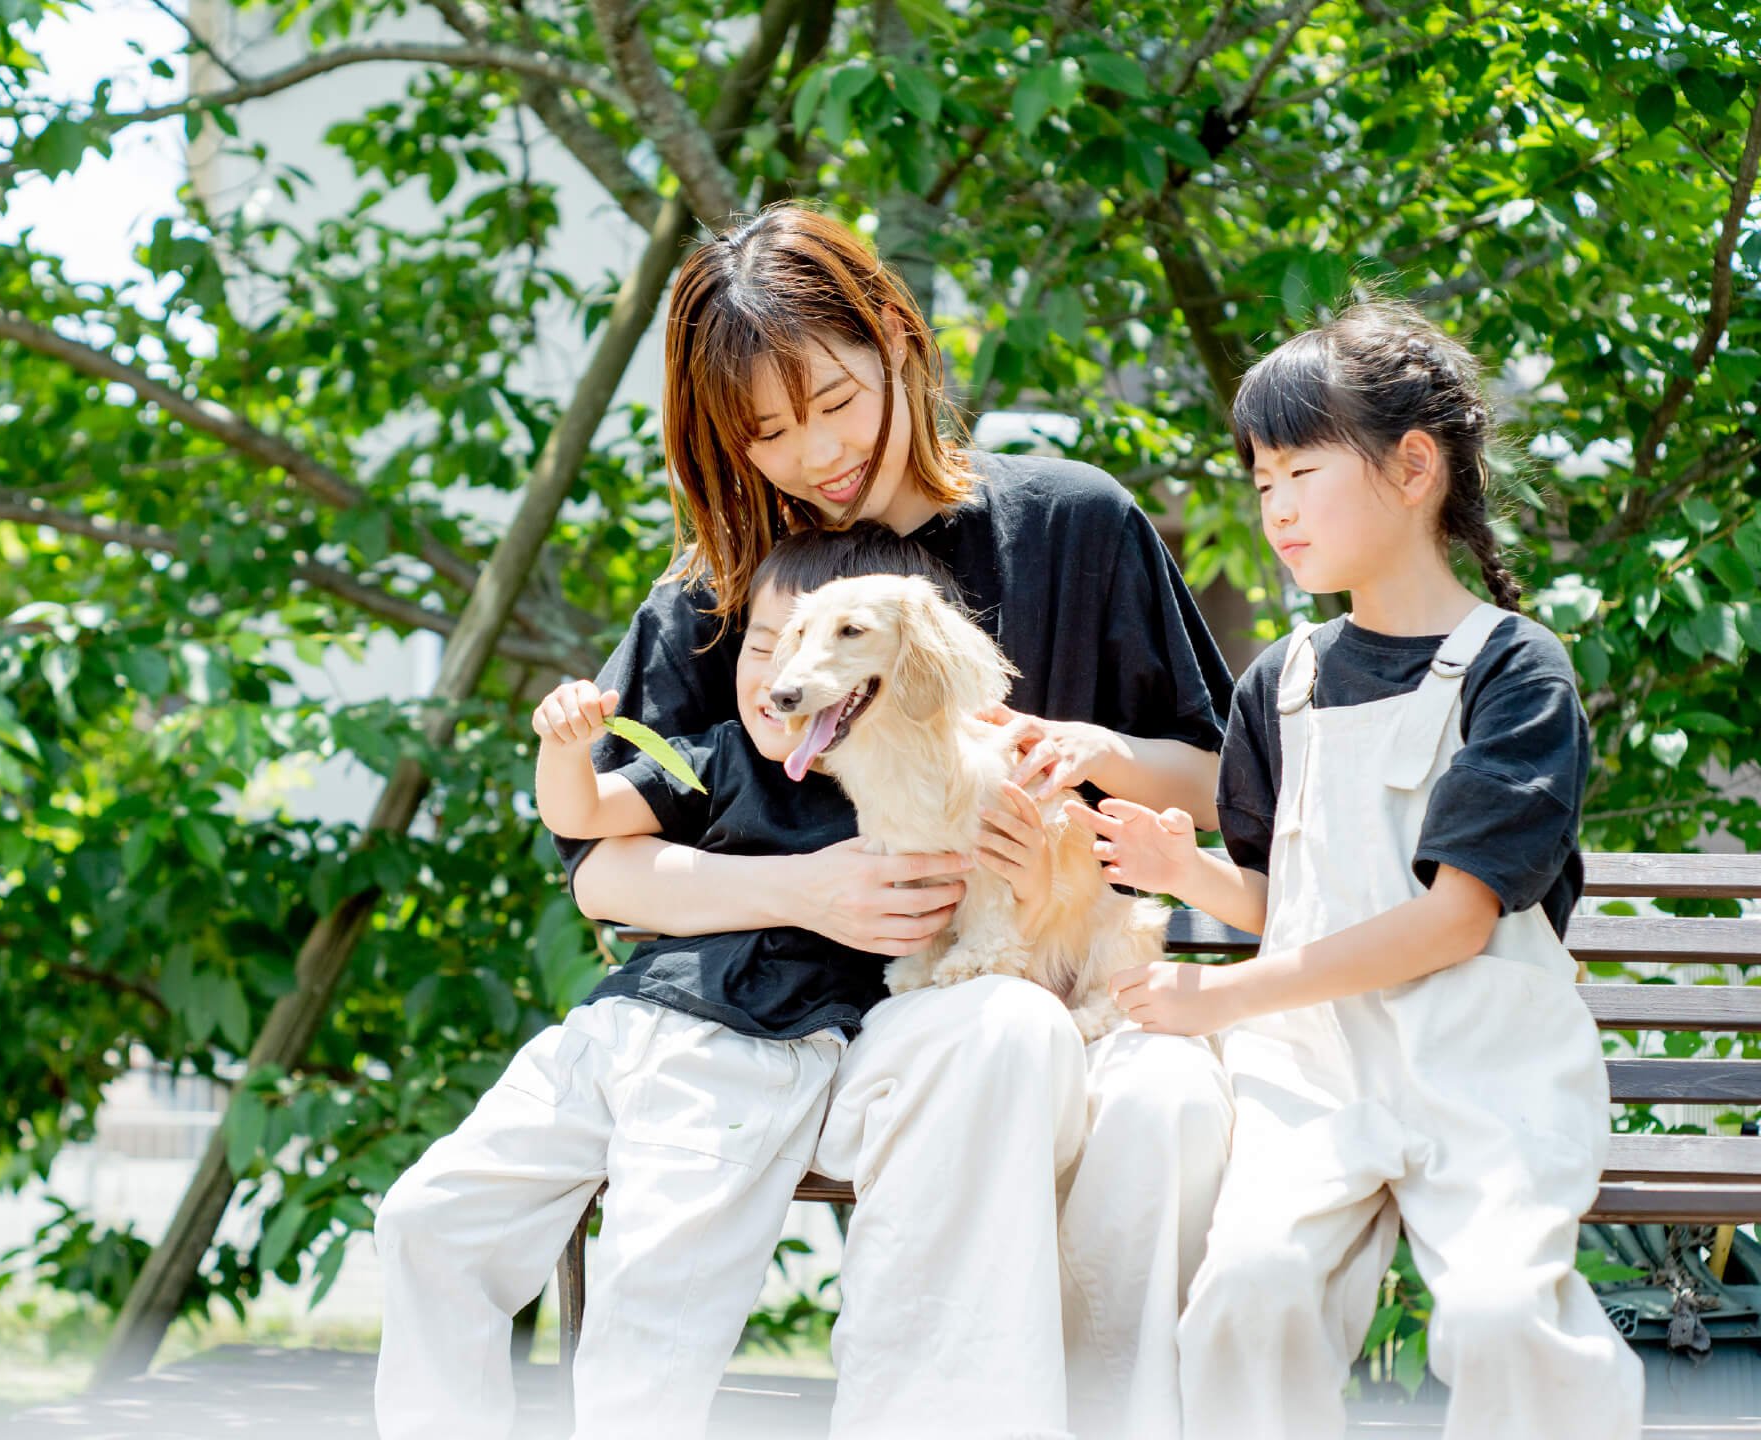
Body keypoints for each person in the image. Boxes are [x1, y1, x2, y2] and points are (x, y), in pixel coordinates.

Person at [563, 203, 1238, 1440]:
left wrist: (1104, 757)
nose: (811, 456)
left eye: (830, 400)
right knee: (1000, 1037)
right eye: (762, 433)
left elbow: (1224, 788)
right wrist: (812, 890)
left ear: (894, 336)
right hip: (858, 1027)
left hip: (1091, 972)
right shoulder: (727, 595)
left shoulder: (1078, 523)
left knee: (1173, 1106)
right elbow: (607, 872)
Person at [1082, 300, 1644, 1438]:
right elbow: (1298, 907)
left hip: (1484, 1073)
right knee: (1248, 1298)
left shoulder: (1514, 669)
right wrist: (1188, 875)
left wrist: (1224, 993)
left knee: (1500, 1318)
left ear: (1415, 468)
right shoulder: (1276, 684)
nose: (1276, 508)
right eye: (1260, 483)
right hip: (1315, 1077)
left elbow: (1450, 922)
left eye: (1301, 471)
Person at [373, 525, 971, 1440]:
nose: (789, 675)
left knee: (648, 1312)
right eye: (768, 647)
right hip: (608, 1033)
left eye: (836, 646)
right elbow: (582, 815)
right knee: (428, 1222)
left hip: (745, 1055)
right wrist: (564, 745)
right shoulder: (720, 752)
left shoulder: (917, 788)